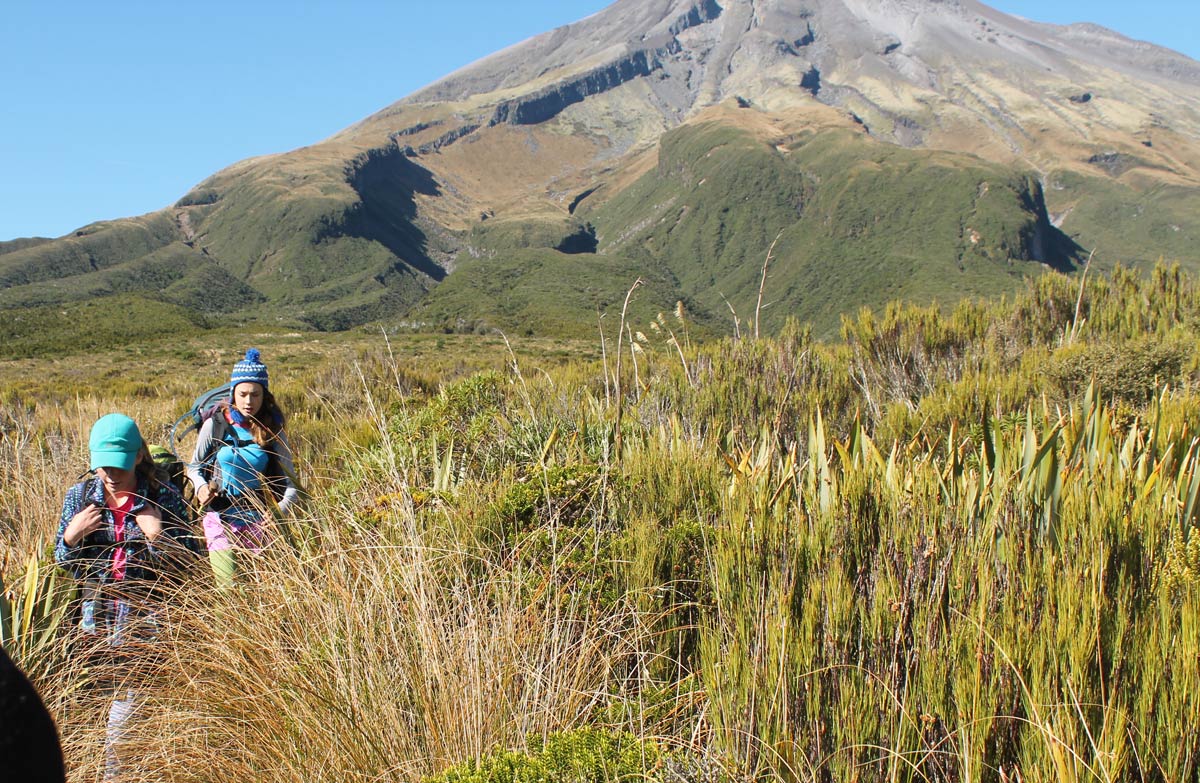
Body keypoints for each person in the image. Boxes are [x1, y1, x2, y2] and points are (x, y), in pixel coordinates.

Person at [54, 413, 199, 781]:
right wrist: (71, 537)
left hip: (142, 620)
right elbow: (63, 561)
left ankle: (113, 776)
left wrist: (158, 538)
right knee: (98, 707)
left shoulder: (163, 497)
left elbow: (189, 563)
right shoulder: (80, 496)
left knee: (124, 712)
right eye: (102, 465)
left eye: (117, 465)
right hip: (92, 620)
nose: (109, 474)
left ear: (138, 457)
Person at [186, 349, 299, 586]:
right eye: (243, 394)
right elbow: (194, 467)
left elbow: (291, 484)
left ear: (265, 396)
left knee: (265, 589)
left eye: (256, 394)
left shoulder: (273, 430)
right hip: (219, 516)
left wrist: (281, 509)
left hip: (259, 519)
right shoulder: (214, 425)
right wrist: (201, 488)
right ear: (233, 393)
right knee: (228, 588)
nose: (249, 401)